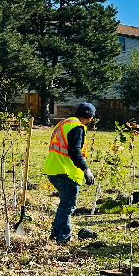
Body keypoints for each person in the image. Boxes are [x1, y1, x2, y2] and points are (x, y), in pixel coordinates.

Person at [43, 103, 97, 244]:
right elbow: (75, 152)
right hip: (66, 172)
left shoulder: (63, 123)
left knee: (64, 204)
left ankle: (55, 232)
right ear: (90, 118)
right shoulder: (76, 127)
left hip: (53, 169)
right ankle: (63, 238)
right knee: (68, 206)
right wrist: (87, 170)